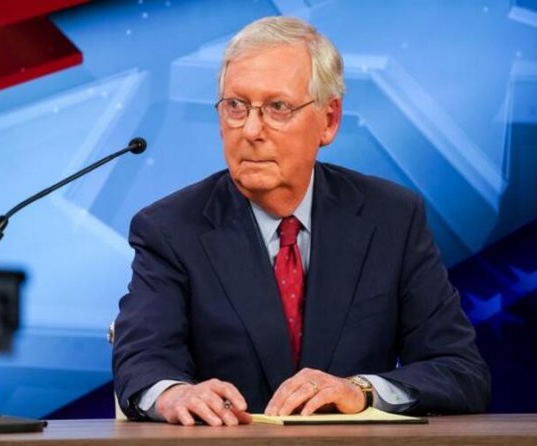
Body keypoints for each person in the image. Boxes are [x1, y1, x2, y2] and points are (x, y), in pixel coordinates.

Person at [112, 16, 490, 426]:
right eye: (236, 106)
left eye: (277, 108)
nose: (251, 130)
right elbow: (142, 361)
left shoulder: (392, 218)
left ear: (329, 120)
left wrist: (361, 391)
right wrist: (174, 394)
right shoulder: (169, 229)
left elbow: (459, 370)